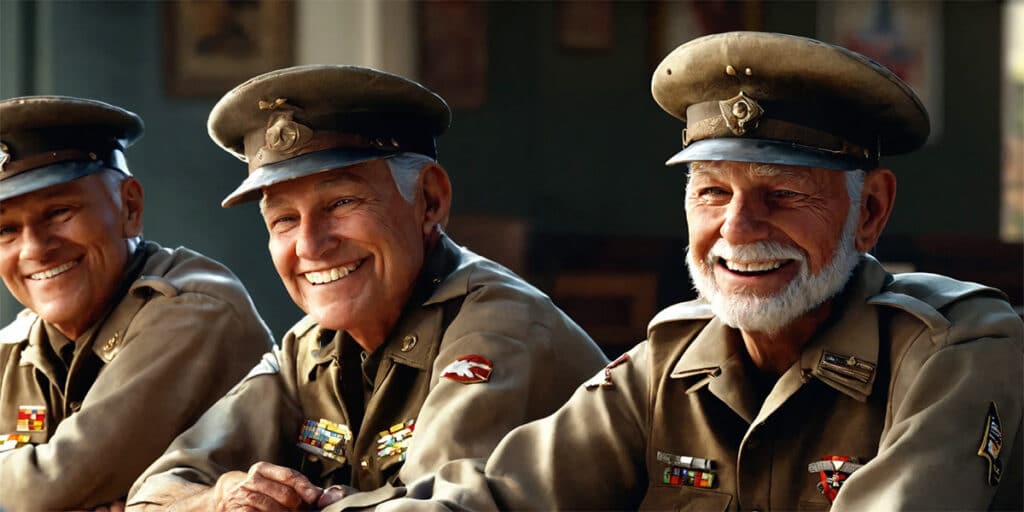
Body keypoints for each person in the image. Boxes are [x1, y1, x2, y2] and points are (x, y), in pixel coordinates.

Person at [331, 31, 1024, 511]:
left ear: (868, 211)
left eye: (782, 195)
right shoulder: (671, 360)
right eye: (712, 192)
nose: (737, 228)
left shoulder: (956, 346)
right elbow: (501, 496)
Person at [126, 65, 607, 511]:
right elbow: (153, 492)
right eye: (284, 220)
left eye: (341, 202)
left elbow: (436, 507)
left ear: (430, 201)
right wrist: (220, 499)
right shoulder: (308, 347)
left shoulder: (500, 328)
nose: (311, 245)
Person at [0, 96, 274, 510]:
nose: (35, 249)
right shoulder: (18, 346)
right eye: (5, 231)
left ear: (130, 206)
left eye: (59, 212)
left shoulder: (193, 309)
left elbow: (50, 486)